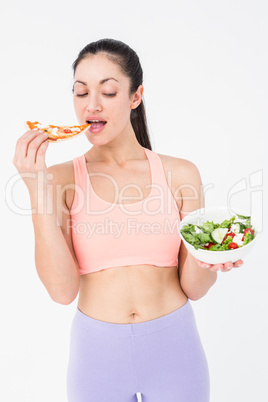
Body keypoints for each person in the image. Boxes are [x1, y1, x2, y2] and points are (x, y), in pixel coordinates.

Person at [13, 38, 243, 402]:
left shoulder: (180, 173)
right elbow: (61, 292)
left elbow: (195, 287)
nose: (91, 105)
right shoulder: (59, 179)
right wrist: (36, 187)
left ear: (135, 97)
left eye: (107, 92)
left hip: (175, 350)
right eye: (80, 92)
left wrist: (212, 256)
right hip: (96, 358)